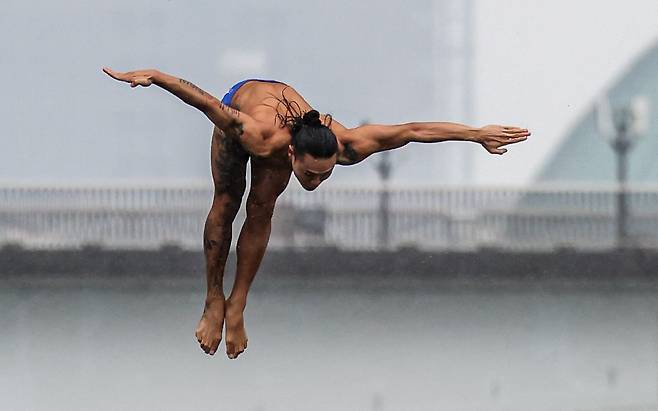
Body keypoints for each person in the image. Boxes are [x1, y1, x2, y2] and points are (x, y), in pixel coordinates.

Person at [103, 67, 531, 359]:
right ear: (293, 153)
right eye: (309, 173)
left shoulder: (346, 145)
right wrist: (154, 77)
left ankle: (237, 306)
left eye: (324, 176)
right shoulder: (260, 137)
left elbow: (411, 132)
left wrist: (476, 134)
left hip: (291, 123)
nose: (315, 183)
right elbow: (203, 101)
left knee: (262, 206)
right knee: (228, 202)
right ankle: (213, 300)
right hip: (245, 103)